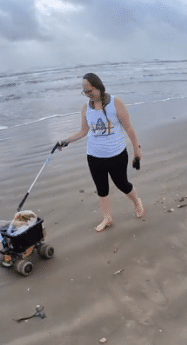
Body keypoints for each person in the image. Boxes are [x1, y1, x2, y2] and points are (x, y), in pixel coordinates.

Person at [56, 73, 145, 232]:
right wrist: (66, 140)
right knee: (101, 188)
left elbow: (129, 128)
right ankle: (107, 218)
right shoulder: (86, 109)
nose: (87, 95)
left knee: (122, 184)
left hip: (116, 154)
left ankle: (136, 201)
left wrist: (137, 149)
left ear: (98, 87)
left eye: (89, 91)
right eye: (85, 92)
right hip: (94, 156)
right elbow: (83, 131)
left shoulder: (115, 103)